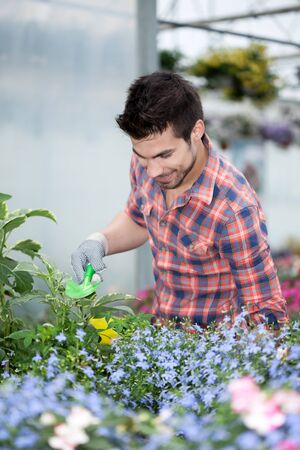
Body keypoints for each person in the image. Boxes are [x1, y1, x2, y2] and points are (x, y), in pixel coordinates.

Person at [71, 71, 288, 329]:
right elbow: (138, 218)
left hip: (214, 352)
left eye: (165, 155)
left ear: (196, 131)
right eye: (141, 155)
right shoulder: (149, 161)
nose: (152, 171)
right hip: (162, 337)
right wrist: (101, 241)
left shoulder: (233, 208)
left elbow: (264, 308)